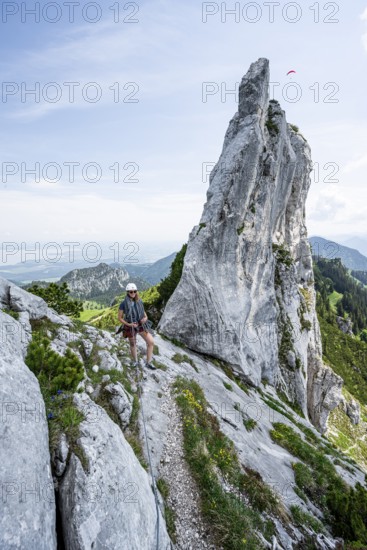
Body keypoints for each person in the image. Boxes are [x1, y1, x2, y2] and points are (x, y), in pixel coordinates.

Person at [117, 283, 156, 370]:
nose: (133, 293)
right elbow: (119, 318)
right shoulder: (123, 304)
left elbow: (144, 313)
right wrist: (129, 324)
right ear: (127, 292)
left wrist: (145, 318)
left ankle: (148, 362)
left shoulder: (139, 301)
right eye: (131, 292)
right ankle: (135, 361)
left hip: (140, 323)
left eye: (134, 291)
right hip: (130, 324)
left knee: (151, 342)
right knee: (133, 343)